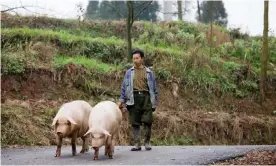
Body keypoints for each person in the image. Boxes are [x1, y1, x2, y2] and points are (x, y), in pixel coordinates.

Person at [119, 49, 158, 151]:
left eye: (137, 58)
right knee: (135, 122)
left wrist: (154, 102)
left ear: (142, 59)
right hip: (133, 98)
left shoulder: (149, 73)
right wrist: (122, 100)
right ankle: (137, 144)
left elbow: (154, 88)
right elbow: (124, 87)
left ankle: (147, 142)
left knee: (148, 121)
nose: (135, 60)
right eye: (133, 59)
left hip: (146, 97)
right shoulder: (129, 73)